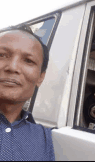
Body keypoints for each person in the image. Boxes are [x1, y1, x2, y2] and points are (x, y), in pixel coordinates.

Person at [0, 25, 55, 161]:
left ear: (40, 77)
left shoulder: (44, 138)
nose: (12, 67)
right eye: (1, 55)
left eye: (28, 61)